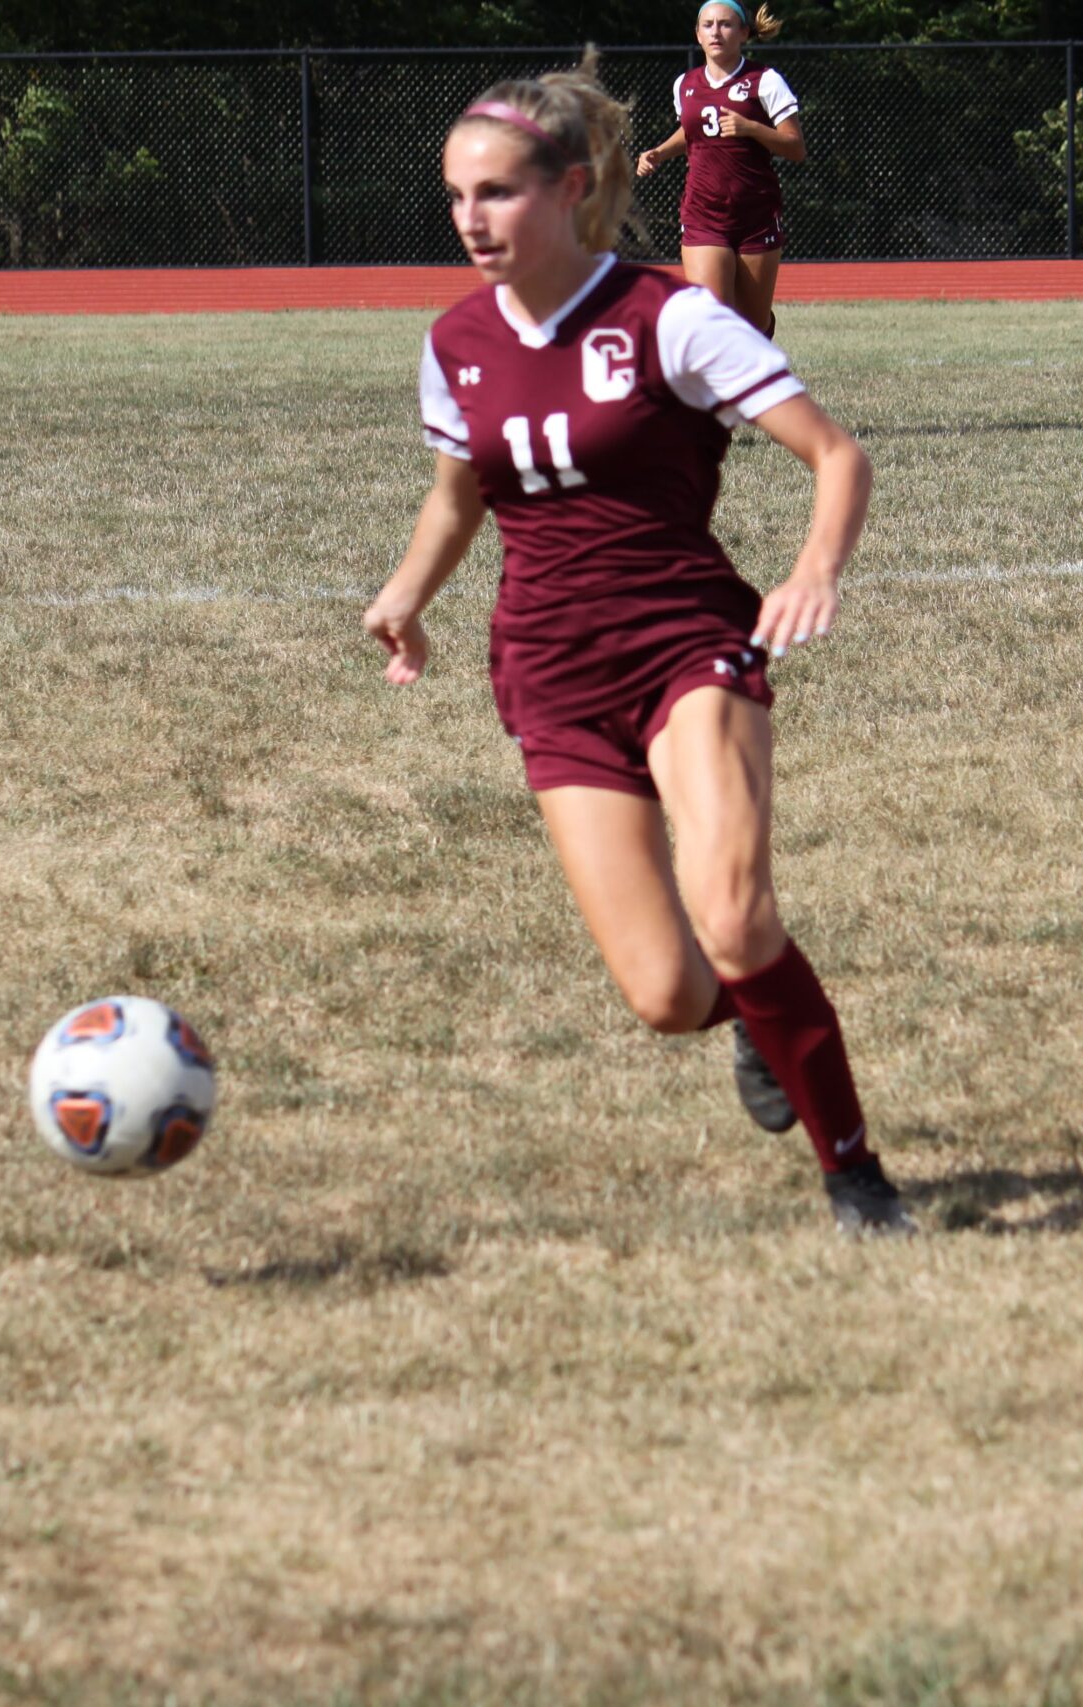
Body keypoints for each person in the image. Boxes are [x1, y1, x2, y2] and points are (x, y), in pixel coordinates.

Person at [363, 60, 909, 1234]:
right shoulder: (453, 341)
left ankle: (854, 1175)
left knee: (735, 914)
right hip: (549, 673)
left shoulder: (669, 316)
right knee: (668, 993)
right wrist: (407, 595)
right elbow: (459, 495)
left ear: (572, 189)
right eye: (457, 195)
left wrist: (813, 570)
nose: (471, 218)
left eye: (498, 192)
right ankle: (763, 1016)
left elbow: (836, 455)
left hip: (684, 641)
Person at [634, 4, 804, 334]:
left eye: (725, 25)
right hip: (704, 214)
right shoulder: (684, 84)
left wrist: (751, 128)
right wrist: (660, 152)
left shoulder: (764, 81)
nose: (716, 31)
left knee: (752, 327)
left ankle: (756, 362)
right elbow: (695, 130)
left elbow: (795, 147)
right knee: (712, 320)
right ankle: (719, 384)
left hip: (756, 214)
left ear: (743, 33)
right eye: (708, 25)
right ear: (697, 34)